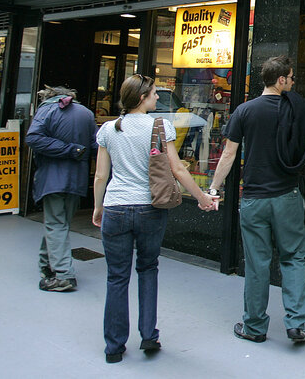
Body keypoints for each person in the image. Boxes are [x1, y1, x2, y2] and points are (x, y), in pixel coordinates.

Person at [92, 74, 217, 363]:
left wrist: (98, 207)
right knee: (148, 268)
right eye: (153, 94)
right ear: (141, 98)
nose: (157, 98)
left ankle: (114, 347)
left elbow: (101, 175)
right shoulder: (161, 127)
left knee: (116, 277)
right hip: (150, 208)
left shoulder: (109, 129)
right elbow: (178, 170)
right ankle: (149, 335)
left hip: (116, 207)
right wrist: (202, 198)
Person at [208, 56, 305, 345]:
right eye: (290, 78)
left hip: (254, 198)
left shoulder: (244, 111)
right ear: (280, 80)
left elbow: (228, 155)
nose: (292, 83)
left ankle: (254, 327)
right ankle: (296, 325)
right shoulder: (297, 110)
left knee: (257, 263)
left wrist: (214, 188)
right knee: (293, 258)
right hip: (287, 196)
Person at [27, 85, 97, 292]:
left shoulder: (47, 111)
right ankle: (46, 265)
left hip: (53, 178)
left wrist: (67, 149)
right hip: (77, 179)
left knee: (55, 223)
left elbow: (33, 138)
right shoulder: (86, 113)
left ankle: (63, 275)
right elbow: (95, 146)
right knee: (59, 223)